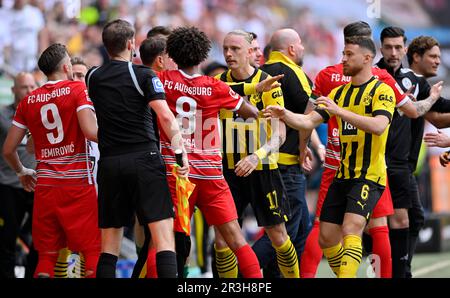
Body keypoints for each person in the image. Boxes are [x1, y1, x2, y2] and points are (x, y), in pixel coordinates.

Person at [300, 22, 443, 278]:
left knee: (327, 228)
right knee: (378, 227)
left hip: (337, 161)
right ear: (368, 48)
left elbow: (307, 118)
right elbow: (412, 112)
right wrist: (431, 98)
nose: (389, 52)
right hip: (371, 163)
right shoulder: (382, 77)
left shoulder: (325, 75)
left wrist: (306, 147)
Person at [264, 36, 396, 278]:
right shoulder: (338, 93)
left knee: (351, 228)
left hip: (369, 175)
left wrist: (339, 112)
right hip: (341, 174)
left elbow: (378, 126)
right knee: (325, 238)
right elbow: (307, 121)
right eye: (343, 53)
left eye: (348, 54)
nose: (342, 59)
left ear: (367, 58)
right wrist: (284, 114)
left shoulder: (382, 90)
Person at [157, 26, 264, 278]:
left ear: (172, 54)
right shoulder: (215, 87)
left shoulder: (162, 81)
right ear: (203, 55)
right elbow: (251, 112)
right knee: (237, 239)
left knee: (165, 241)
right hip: (210, 174)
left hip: (177, 173)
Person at [86, 19, 188, 278]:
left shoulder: (92, 76)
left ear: (105, 45)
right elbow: (165, 117)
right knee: (164, 239)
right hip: (144, 158)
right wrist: (180, 153)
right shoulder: (143, 74)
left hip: (109, 162)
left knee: (109, 245)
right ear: (131, 44)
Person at [2, 43, 100, 278]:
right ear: (67, 66)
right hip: (77, 185)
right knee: (92, 253)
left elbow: (8, 149)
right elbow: (90, 132)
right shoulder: (77, 90)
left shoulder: (29, 100)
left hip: (45, 186)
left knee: (46, 258)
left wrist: (22, 171)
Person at [216, 29, 300, 278]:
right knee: (222, 241)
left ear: (250, 50)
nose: (229, 54)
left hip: (263, 169)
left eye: (235, 49)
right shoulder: (219, 83)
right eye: (225, 49)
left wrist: (257, 156)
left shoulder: (269, 84)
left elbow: (280, 134)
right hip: (228, 171)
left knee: (279, 236)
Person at [376, 29, 447, 278]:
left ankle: (399, 271)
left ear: (405, 49)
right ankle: (396, 272)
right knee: (387, 223)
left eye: (398, 47)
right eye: (388, 47)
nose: (394, 53)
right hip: (379, 163)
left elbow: (438, 112)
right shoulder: (373, 76)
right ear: (381, 48)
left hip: (402, 166)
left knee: (411, 219)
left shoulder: (415, 80)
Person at [257, 28, 314, 277]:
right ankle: (237, 273)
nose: (302, 49)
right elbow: (310, 113)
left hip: (264, 161)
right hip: (285, 163)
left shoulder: (259, 74)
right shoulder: (293, 72)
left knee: (300, 228)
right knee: (285, 233)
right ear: (291, 49)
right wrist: (304, 147)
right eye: (300, 44)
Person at [0, 72, 37, 278]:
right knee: (7, 237)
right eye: (24, 87)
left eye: (33, 87)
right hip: (9, 184)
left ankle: (33, 273)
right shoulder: (3, 117)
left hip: (37, 185)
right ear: (14, 90)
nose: (29, 91)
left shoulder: (42, 113)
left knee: (39, 239)